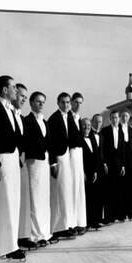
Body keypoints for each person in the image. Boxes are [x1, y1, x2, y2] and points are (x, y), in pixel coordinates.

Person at [0, 76, 26, 261]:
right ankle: (5, 247)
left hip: (13, 160)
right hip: (2, 161)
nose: (16, 90)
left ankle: (11, 244)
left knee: (13, 202)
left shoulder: (11, 111)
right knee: (4, 203)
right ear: (3, 90)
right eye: (13, 87)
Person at [22, 91, 55, 247]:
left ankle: (44, 233)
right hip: (33, 162)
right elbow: (27, 142)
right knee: (34, 199)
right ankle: (34, 235)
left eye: (43, 102)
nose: (41, 104)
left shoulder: (46, 122)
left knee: (43, 199)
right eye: (38, 101)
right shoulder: (26, 121)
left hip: (44, 163)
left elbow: (49, 143)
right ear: (31, 103)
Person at [48, 92, 79, 240]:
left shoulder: (70, 116)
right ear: (58, 103)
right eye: (63, 102)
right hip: (59, 158)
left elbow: (74, 137)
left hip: (68, 157)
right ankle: (58, 228)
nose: (66, 105)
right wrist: (52, 162)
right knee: (60, 192)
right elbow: (51, 142)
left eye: (68, 102)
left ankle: (67, 224)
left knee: (67, 192)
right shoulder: (54, 119)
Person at [12, 84, 37, 251]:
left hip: (22, 162)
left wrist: (25, 152)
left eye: (25, 98)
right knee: (13, 201)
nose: (23, 100)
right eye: (21, 95)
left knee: (23, 200)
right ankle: (13, 238)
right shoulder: (9, 114)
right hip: (11, 160)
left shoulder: (21, 117)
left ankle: (23, 236)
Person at [101, 111, 126, 224]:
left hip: (118, 164)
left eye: (116, 118)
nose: (115, 120)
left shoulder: (121, 132)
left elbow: (123, 150)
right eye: (113, 118)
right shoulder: (105, 131)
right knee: (108, 191)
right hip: (108, 164)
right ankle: (108, 217)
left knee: (119, 190)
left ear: (119, 119)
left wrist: (123, 165)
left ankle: (119, 214)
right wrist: (104, 163)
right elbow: (102, 148)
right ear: (110, 119)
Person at [68, 92, 87, 235]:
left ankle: (80, 222)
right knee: (72, 190)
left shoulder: (78, 118)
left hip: (79, 155)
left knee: (79, 189)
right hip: (70, 155)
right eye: (76, 102)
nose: (78, 105)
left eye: (80, 103)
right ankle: (71, 223)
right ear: (71, 102)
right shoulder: (67, 117)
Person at [119, 110, 132, 220]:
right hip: (122, 161)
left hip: (131, 161)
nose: (124, 118)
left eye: (126, 116)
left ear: (129, 118)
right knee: (123, 187)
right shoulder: (117, 129)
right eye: (122, 116)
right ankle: (123, 212)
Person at [80, 118, 99, 230]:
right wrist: (82, 172)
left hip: (93, 172)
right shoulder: (79, 140)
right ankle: (86, 222)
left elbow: (96, 155)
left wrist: (96, 171)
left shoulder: (92, 139)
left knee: (93, 197)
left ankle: (93, 221)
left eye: (88, 125)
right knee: (86, 198)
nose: (87, 127)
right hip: (84, 173)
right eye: (84, 125)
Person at [90, 113, 107, 227]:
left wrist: (105, 163)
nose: (98, 123)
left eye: (100, 121)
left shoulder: (101, 136)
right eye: (96, 121)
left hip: (101, 168)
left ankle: (99, 218)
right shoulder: (88, 135)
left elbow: (102, 153)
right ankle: (92, 220)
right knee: (92, 195)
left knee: (100, 194)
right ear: (92, 122)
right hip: (92, 168)